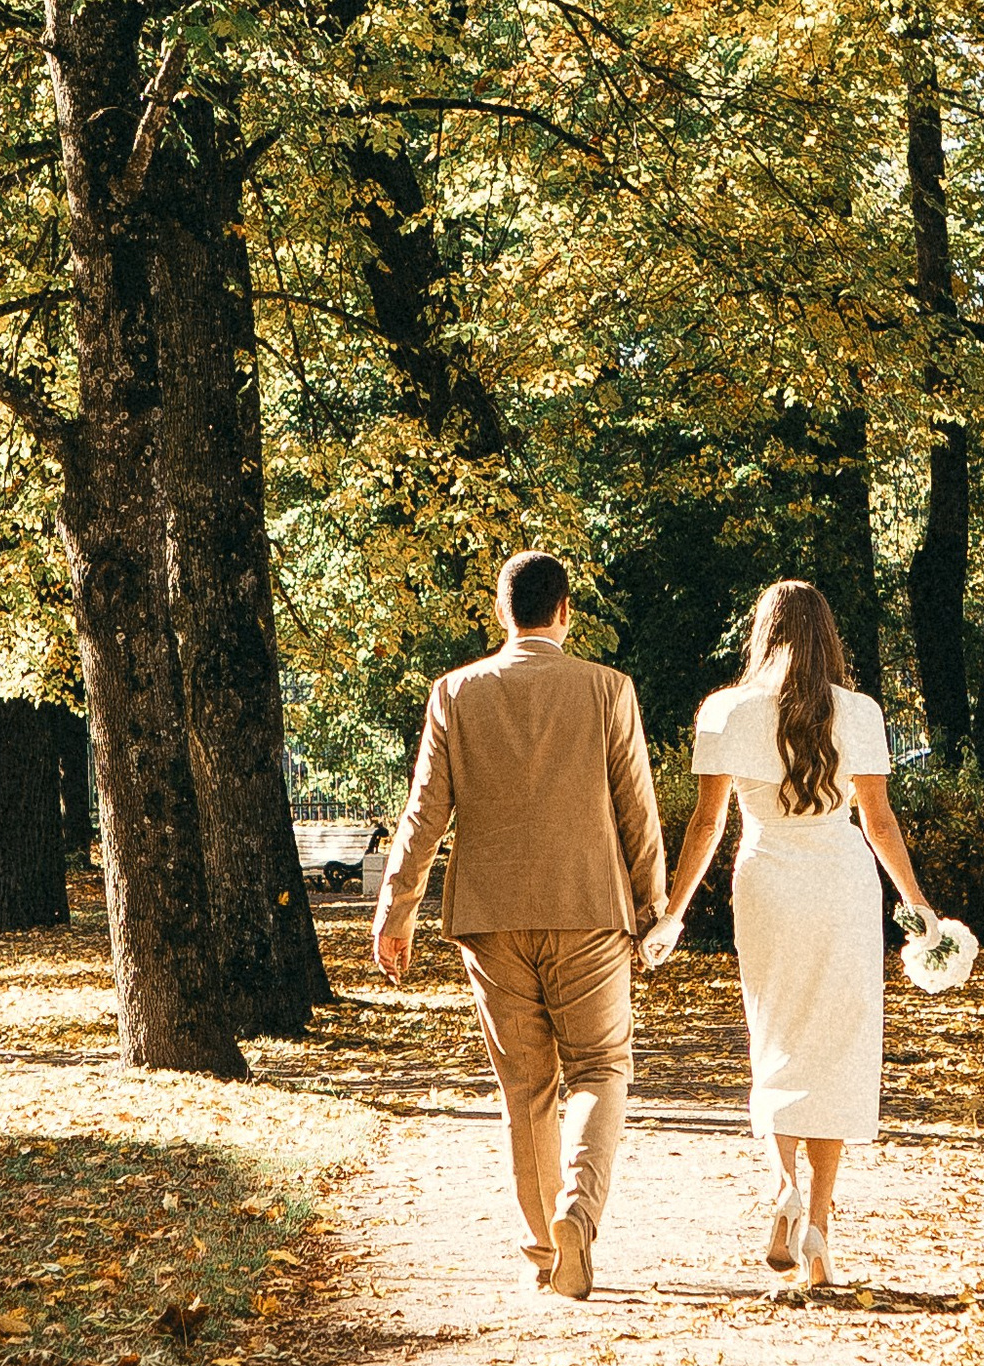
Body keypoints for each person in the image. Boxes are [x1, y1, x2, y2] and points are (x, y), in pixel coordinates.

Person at [372, 550, 666, 1304]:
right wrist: (653, 907)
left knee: (526, 1086)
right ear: (564, 610)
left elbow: (425, 812)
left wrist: (396, 909)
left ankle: (544, 1247)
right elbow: (637, 809)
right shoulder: (608, 690)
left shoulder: (455, 693)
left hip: (491, 918)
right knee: (601, 1066)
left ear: (502, 612)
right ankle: (580, 1211)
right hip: (590, 910)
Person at [649, 578, 937, 1289]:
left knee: (774, 1033)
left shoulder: (725, 711)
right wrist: (919, 905)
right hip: (841, 883)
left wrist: (672, 913)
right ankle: (821, 1233)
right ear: (827, 635)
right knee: (838, 1044)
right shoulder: (861, 713)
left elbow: (707, 825)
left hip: (767, 882)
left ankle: (782, 1185)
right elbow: (879, 822)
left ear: (762, 632)